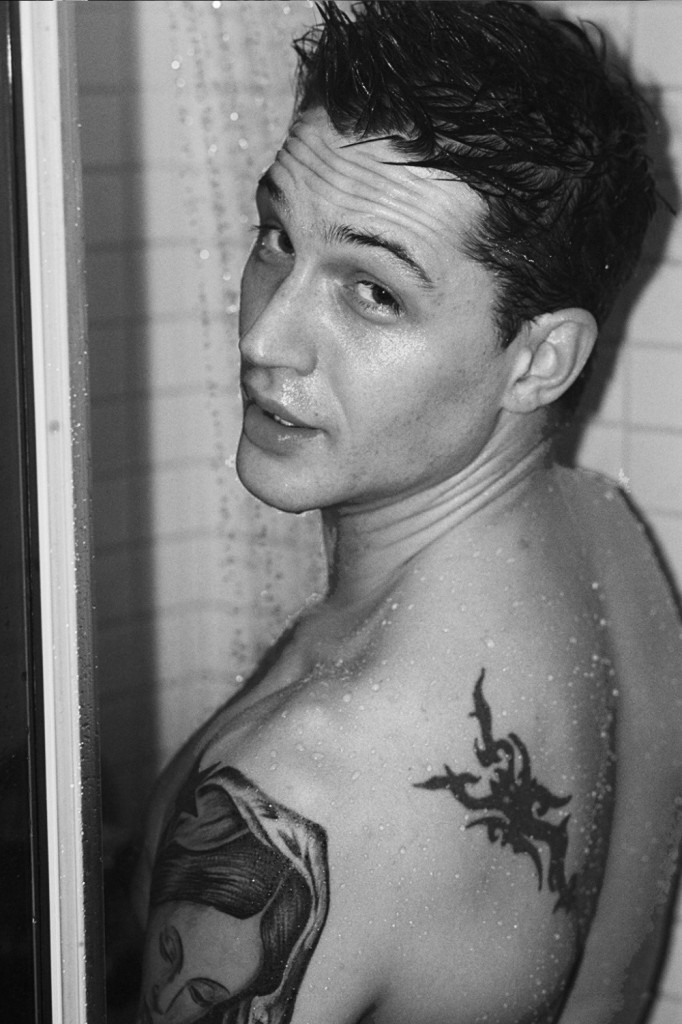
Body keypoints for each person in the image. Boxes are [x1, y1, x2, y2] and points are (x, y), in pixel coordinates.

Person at [134, 3, 682, 1022]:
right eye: (277, 239)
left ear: (540, 360)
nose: (267, 337)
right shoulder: (613, 544)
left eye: (372, 292)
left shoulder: (304, 789)